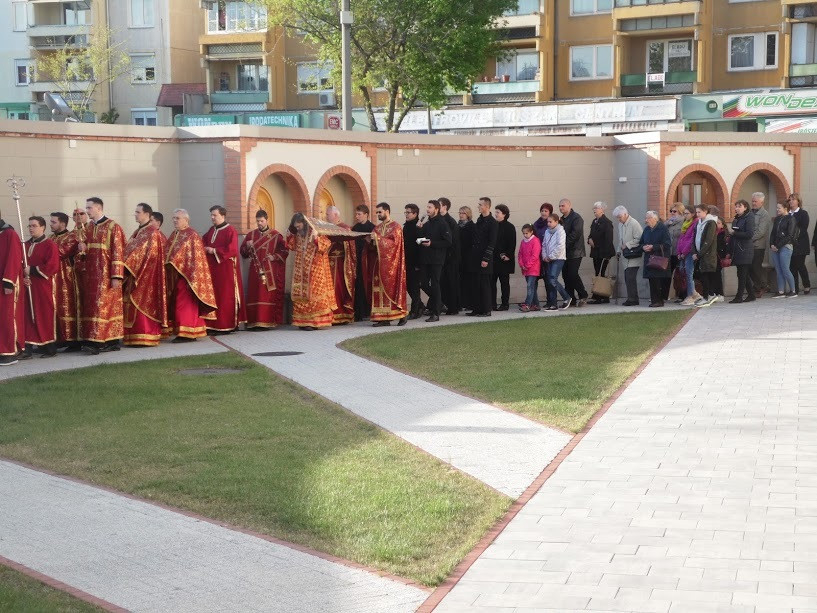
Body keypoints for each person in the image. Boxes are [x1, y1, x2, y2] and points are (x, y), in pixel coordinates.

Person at [75, 196, 126, 354]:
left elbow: (118, 252)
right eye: (86, 208)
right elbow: (85, 254)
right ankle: (106, 341)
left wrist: (116, 276)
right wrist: (82, 249)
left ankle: (98, 343)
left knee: (102, 307)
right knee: (93, 308)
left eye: (89, 208)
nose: (87, 211)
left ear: (98, 208)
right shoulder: (88, 227)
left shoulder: (113, 226)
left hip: (106, 275)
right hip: (91, 275)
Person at [165, 209, 217, 341]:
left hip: (189, 277)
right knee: (179, 304)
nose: (174, 220)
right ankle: (190, 330)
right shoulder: (174, 234)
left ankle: (187, 333)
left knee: (184, 304)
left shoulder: (191, 235)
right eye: (173, 218)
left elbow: (196, 258)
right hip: (177, 275)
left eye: (177, 218)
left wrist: (190, 274)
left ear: (186, 220)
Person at [122, 203, 167, 347]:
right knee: (130, 305)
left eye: (138, 212)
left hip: (146, 276)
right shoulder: (139, 231)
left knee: (142, 304)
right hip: (134, 274)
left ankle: (145, 336)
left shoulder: (151, 232)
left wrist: (123, 262)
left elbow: (141, 254)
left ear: (147, 214)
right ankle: (131, 336)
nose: (135, 214)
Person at [18, 217, 59, 359]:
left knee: (44, 314)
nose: (31, 228)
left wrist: (32, 270)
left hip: (43, 286)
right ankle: (27, 348)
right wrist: (23, 277)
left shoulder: (50, 245)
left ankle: (49, 347)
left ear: (43, 227)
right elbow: (20, 264)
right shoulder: (25, 245)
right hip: (28, 285)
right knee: (27, 315)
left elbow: (53, 266)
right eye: (29, 226)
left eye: (34, 226)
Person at [287, 213, 336, 330]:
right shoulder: (298, 234)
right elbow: (292, 246)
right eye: (296, 227)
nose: (297, 229)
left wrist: (316, 238)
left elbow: (326, 245)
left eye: (299, 226)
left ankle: (313, 322)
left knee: (313, 295)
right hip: (300, 270)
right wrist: (289, 235)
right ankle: (302, 322)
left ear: (304, 224)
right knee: (301, 294)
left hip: (315, 270)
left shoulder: (316, 230)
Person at [241, 209, 288, 329]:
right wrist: (247, 246)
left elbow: (284, 251)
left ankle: (267, 321)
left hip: (269, 271)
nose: (259, 223)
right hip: (254, 270)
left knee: (266, 295)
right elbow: (243, 253)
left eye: (261, 221)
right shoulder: (251, 235)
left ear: (267, 220)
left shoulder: (276, 235)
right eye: (257, 221)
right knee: (254, 293)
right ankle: (254, 322)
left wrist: (274, 257)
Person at [203, 205, 246, 334]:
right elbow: (203, 241)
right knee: (215, 296)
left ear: (222, 215)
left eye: (214, 215)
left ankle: (226, 325)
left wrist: (214, 250)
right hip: (213, 269)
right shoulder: (211, 230)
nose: (212, 217)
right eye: (211, 215)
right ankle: (213, 325)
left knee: (225, 297)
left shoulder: (230, 230)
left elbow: (232, 250)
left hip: (226, 270)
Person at [367, 203, 408, 326]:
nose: (378, 214)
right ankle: (383, 318)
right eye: (377, 212)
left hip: (393, 265)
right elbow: (373, 248)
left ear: (387, 211)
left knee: (392, 290)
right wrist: (370, 241)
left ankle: (401, 314)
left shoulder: (396, 227)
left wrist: (378, 239)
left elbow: (394, 245)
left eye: (380, 212)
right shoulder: (377, 228)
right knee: (379, 291)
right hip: (378, 264)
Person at [48, 211, 80, 350]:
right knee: (54, 307)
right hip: (52, 278)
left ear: (62, 223)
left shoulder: (72, 236)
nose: (50, 224)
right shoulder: (50, 237)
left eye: (53, 222)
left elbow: (61, 252)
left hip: (65, 278)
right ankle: (58, 338)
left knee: (66, 306)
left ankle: (71, 339)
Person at [419, 200, 451, 322]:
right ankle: (439, 303)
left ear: (436, 209)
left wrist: (432, 243)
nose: (427, 209)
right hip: (425, 259)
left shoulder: (442, 223)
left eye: (430, 207)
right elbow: (422, 238)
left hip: (437, 259)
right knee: (423, 283)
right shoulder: (427, 224)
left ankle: (436, 313)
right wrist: (419, 231)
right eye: (427, 207)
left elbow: (448, 241)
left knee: (435, 284)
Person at [325, 205, 356, 325]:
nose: (326, 217)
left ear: (335, 215)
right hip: (327, 263)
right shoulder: (326, 228)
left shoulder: (345, 228)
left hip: (341, 264)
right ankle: (329, 315)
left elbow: (350, 247)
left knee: (339, 288)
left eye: (328, 215)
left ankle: (341, 314)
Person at [0, 212, 24, 365]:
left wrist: (8, 282)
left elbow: (14, 258)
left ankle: (9, 352)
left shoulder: (10, 234)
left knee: (6, 317)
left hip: (6, 284)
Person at [467, 197, 498, 317]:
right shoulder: (479, 220)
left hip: (485, 259)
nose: (478, 207)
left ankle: (486, 309)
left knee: (484, 285)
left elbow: (492, 242)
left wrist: (486, 259)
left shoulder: (493, 222)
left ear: (487, 206)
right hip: (475, 258)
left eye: (480, 205)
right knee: (475, 284)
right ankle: (477, 309)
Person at [558, 198, 588, 306]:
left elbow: (575, 235)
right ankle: (571, 298)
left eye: (563, 205)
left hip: (576, 252)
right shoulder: (561, 219)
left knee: (572, 274)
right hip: (565, 253)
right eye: (559, 206)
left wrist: (563, 246)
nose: (561, 208)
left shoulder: (576, 218)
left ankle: (583, 294)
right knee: (566, 276)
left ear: (569, 206)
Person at [639, 211, 671, 308]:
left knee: (658, 281)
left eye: (648, 218)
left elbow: (667, 244)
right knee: (652, 280)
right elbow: (641, 242)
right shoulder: (646, 229)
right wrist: (643, 247)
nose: (646, 220)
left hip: (659, 259)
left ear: (655, 219)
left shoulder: (663, 229)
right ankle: (654, 300)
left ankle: (659, 301)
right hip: (649, 259)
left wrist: (653, 247)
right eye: (646, 218)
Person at [541, 214, 572, 311]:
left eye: (550, 222)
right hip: (549, 259)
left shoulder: (560, 231)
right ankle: (553, 304)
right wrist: (545, 256)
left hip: (558, 258)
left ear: (556, 222)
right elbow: (544, 245)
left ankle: (566, 297)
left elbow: (560, 246)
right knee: (550, 281)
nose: (548, 224)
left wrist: (550, 257)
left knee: (552, 279)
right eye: (547, 222)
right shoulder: (547, 231)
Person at [614, 205, 643, 306]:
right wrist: (618, 250)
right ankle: (632, 298)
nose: (619, 219)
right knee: (628, 278)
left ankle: (633, 299)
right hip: (625, 256)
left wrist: (627, 244)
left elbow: (639, 238)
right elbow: (621, 240)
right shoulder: (620, 224)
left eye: (620, 217)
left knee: (630, 277)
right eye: (617, 217)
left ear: (625, 214)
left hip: (634, 255)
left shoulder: (634, 223)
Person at [770, 200, 799, 298]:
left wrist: (778, 246)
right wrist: (772, 244)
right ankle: (781, 291)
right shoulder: (777, 219)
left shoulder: (791, 219)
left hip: (786, 247)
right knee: (778, 270)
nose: (777, 209)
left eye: (779, 208)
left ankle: (793, 291)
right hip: (775, 248)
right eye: (777, 208)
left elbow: (790, 235)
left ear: (785, 208)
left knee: (785, 269)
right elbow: (773, 233)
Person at [729, 199, 756, 304]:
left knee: (742, 275)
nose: (737, 208)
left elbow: (749, 234)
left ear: (745, 207)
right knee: (743, 274)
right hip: (737, 249)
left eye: (739, 206)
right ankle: (751, 295)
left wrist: (734, 233)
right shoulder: (737, 218)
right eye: (736, 206)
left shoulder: (749, 217)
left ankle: (739, 297)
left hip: (745, 250)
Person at [587, 201, 615, 304]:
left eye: (596, 208)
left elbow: (608, 240)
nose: (594, 210)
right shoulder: (594, 221)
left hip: (603, 253)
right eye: (594, 208)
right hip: (596, 252)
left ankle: (601, 296)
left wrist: (605, 254)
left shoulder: (607, 223)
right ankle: (598, 296)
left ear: (602, 210)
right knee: (597, 273)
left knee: (601, 273)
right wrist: (589, 240)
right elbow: (591, 235)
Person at [692, 204, 719, 307]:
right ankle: (708, 295)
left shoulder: (711, 223)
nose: (697, 214)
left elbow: (708, 240)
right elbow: (694, 238)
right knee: (701, 276)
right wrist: (694, 252)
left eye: (699, 212)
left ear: (705, 212)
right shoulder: (698, 222)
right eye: (696, 212)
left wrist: (699, 254)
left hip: (707, 255)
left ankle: (707, 296)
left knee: (706, 276)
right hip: (698, 254)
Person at [352, 204, 375, 321]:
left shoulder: (373, 228)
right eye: (356, 214)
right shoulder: (354, 228)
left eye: (359, 214)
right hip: (357, 261)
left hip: (369, 262)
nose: (357, 216)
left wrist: (370, 242)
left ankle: (368, 311)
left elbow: (376, 247)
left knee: (368, 285)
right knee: (358, 285)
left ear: (366, 215)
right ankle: (358, 313)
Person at [438, 197, 461, 314]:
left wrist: (450, 257)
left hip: (450, 258)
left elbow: (453, 242)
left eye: (439, 205)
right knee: (441, 283)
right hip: (441, 258)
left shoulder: (451, 222)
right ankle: (441, 305)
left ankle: (453, 307)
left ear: (445, 207)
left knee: (451, 283)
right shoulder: (438, 220)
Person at [676, 204, 701, 306]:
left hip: (689, 252)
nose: (685, 215)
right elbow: (681, 239)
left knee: (689, 273)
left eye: (687, 213)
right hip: (682, 253)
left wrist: (684, 252)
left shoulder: (695, 223)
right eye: (684, 213)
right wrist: (679, 252)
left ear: (693, 214)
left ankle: (691, 296)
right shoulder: (685, 223)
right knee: (683, 272)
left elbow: (691, 240)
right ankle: (695, 293)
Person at [492, 204, 516, 311]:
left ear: (504, 214)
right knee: (491, 282)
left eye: (498, 212)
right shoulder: (493, 225)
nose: (496, 214)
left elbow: (512, 243)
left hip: (504, 260)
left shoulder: (510, 227)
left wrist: (508, 255)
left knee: (504, 283)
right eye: (495, 212)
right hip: (493, 259)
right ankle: (492, 303)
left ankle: (505, 304)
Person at [788, 193, 811, 294]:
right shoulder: (787, 214)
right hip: (789, 244)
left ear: (798, 201)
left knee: (800, 265)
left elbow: (803, 229)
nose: (791, 201)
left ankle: (806, 285)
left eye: (793, 199)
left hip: (800, 244)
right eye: (790, 200)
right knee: (792, 267)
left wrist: (793, 238)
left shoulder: (803, 213)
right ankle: (795, 289)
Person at [403, 203, 423, 319]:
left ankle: (415, 310)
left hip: (415, 262)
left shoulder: (418, 226)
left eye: (408, 212)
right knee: (408, 286)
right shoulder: (406, 226)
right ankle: (420, 306)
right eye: (405, 212)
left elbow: (420, 246)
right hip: (407, 261)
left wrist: (418, 264)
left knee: (414, 287)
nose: (406, 214)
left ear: (415, 214)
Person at [663, 203, 686, 301]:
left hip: (679, 253)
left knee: (680, 274)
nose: (672, 213)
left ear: (680, 212)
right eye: (671, 211)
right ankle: (664, 296)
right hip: (669, 252)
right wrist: (666, 224)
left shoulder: (684, 222)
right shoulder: (668, 223)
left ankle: (681, 296)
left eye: (674, 211)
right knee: (666, 274)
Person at [750, 192, 771, 297]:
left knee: (756, 267)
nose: (753, 203)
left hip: (758, 246)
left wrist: (748, 239)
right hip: (749, 246)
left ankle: (759, 288)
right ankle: (762, 285)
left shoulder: (764, 214)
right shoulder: (750, 212)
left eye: (755, 201)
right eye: (752, 201)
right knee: (749, 267)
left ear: (762, 202)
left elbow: (760, 232)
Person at [517, 223, 541, 312]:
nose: (525, 235)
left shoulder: (535, 241)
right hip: (525, 269)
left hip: (533, 269)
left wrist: (527, 265)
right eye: (523, 233)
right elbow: (520, 254)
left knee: (530, 286)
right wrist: (522, 264)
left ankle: (527, 304)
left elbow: (535, 256)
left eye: (526, 233)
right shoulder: (523, 242)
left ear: (531, 232)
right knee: (532, 287)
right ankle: (536, 305)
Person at [458, 206, 475, 312]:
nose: (461, 215)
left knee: (469, 281)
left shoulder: (472, 226)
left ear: (468, 214)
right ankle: (462, 302)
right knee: (461, 281)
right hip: (459, 257)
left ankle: (469, 303)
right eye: (460, 213)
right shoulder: (457, 226)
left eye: (463, 213)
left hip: (468, 257)